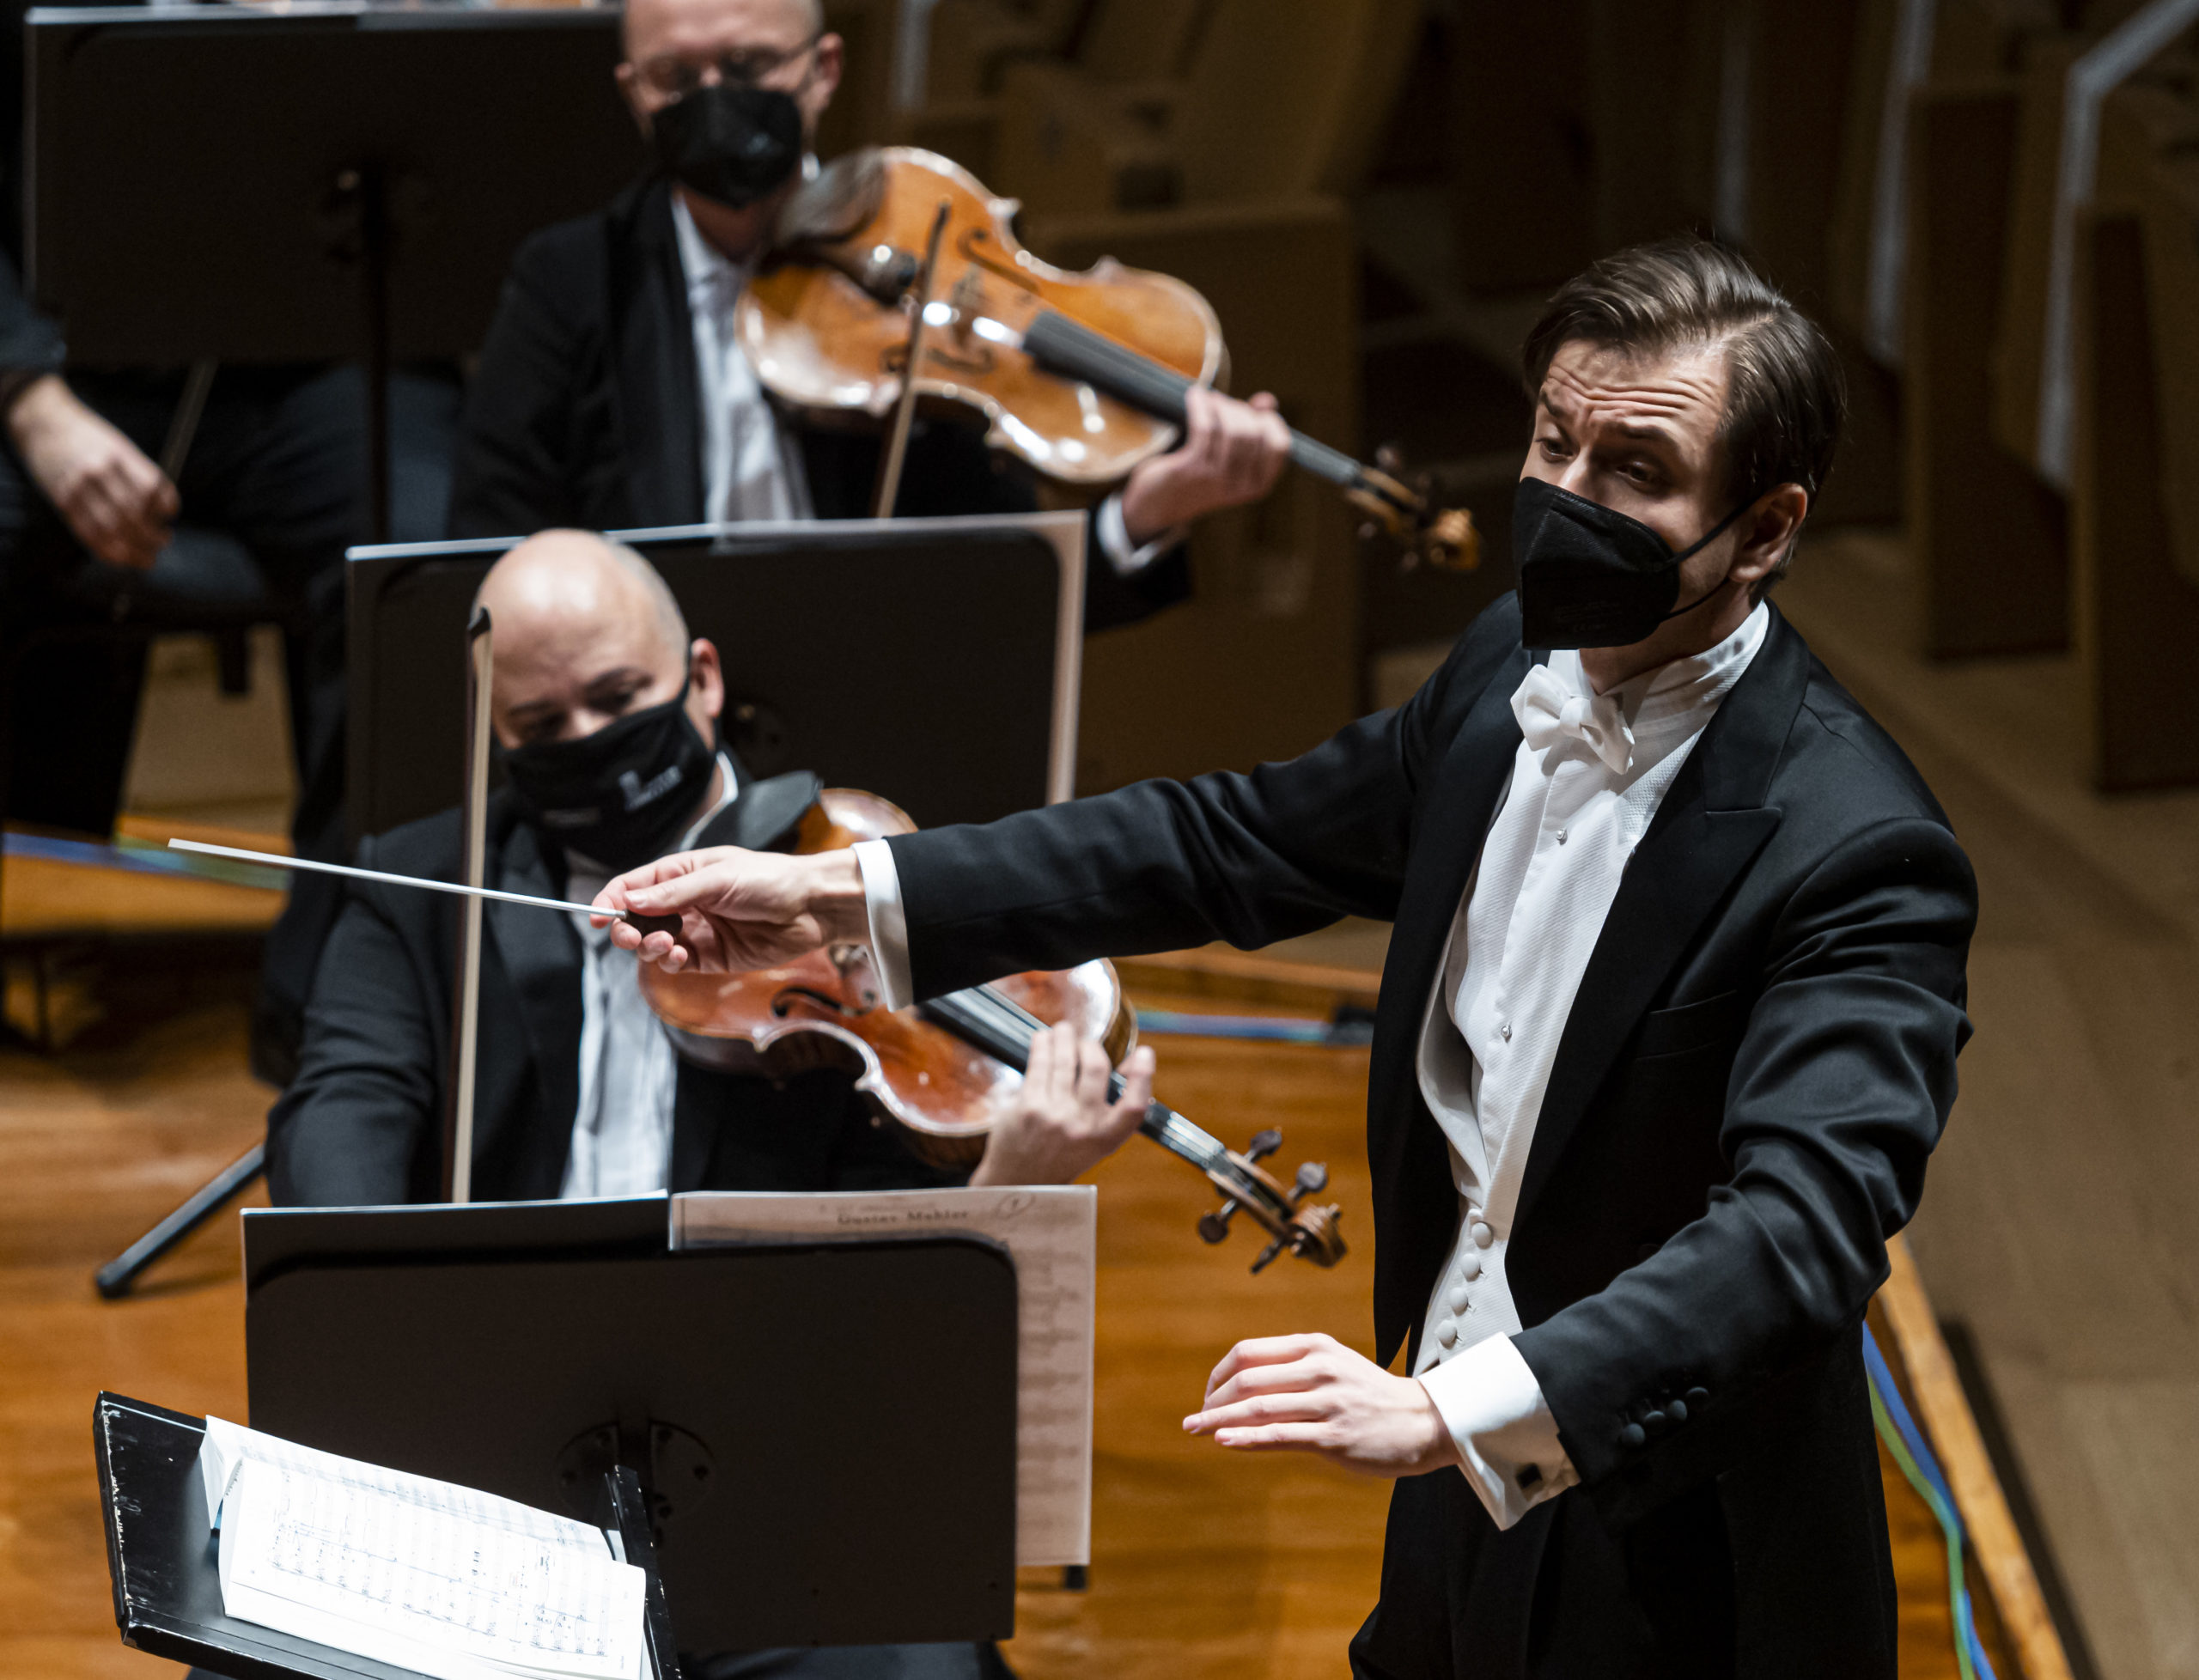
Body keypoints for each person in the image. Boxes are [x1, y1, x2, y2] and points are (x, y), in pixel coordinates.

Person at [593, 239, 1979, 1678]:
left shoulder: (1859, 850)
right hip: (1451, 1470)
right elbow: (1229, 839)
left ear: (1763, 530)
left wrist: (1445, 1412)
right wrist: (836, 895)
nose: (1566, 496)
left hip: (1676, 1540)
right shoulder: (1507, 670)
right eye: (1552, 441)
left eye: (1632, 470)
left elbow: (1796, 1232)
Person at [269, 527, 1154, 1208]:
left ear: (703, 679)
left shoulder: (846, 873)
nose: (590, 741)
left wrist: (1006, 1182)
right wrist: (368, 1272)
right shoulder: (420, 883)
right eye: (541, 726)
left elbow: (888, 1250)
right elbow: (344, 1105)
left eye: (618, 697)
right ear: (494, 732)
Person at [447, 0, 1291, 633]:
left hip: (887, 689)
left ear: (824, 70)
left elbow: (1005, 606)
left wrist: (1141, 519)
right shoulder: (570, 283)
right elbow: (491, 558)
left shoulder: (930, 265)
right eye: (675, 79)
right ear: (634, 94)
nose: (714, 100)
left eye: (747, 66)